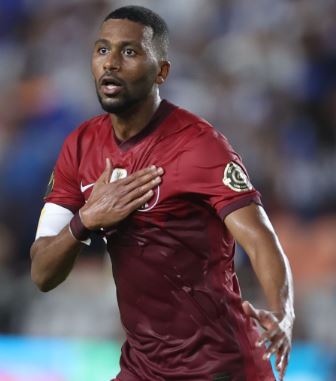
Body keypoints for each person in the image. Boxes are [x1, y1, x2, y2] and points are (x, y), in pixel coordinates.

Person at [30, 5, 294, 381]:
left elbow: (260, 238)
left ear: (162, 72)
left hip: (222, 367)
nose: (111, 63)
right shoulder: (79, 146)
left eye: (130, 52)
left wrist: (282, 314)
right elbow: (42, 272)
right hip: (143, 368)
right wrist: (85, 220)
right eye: (102, 50)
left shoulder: (198, 146)